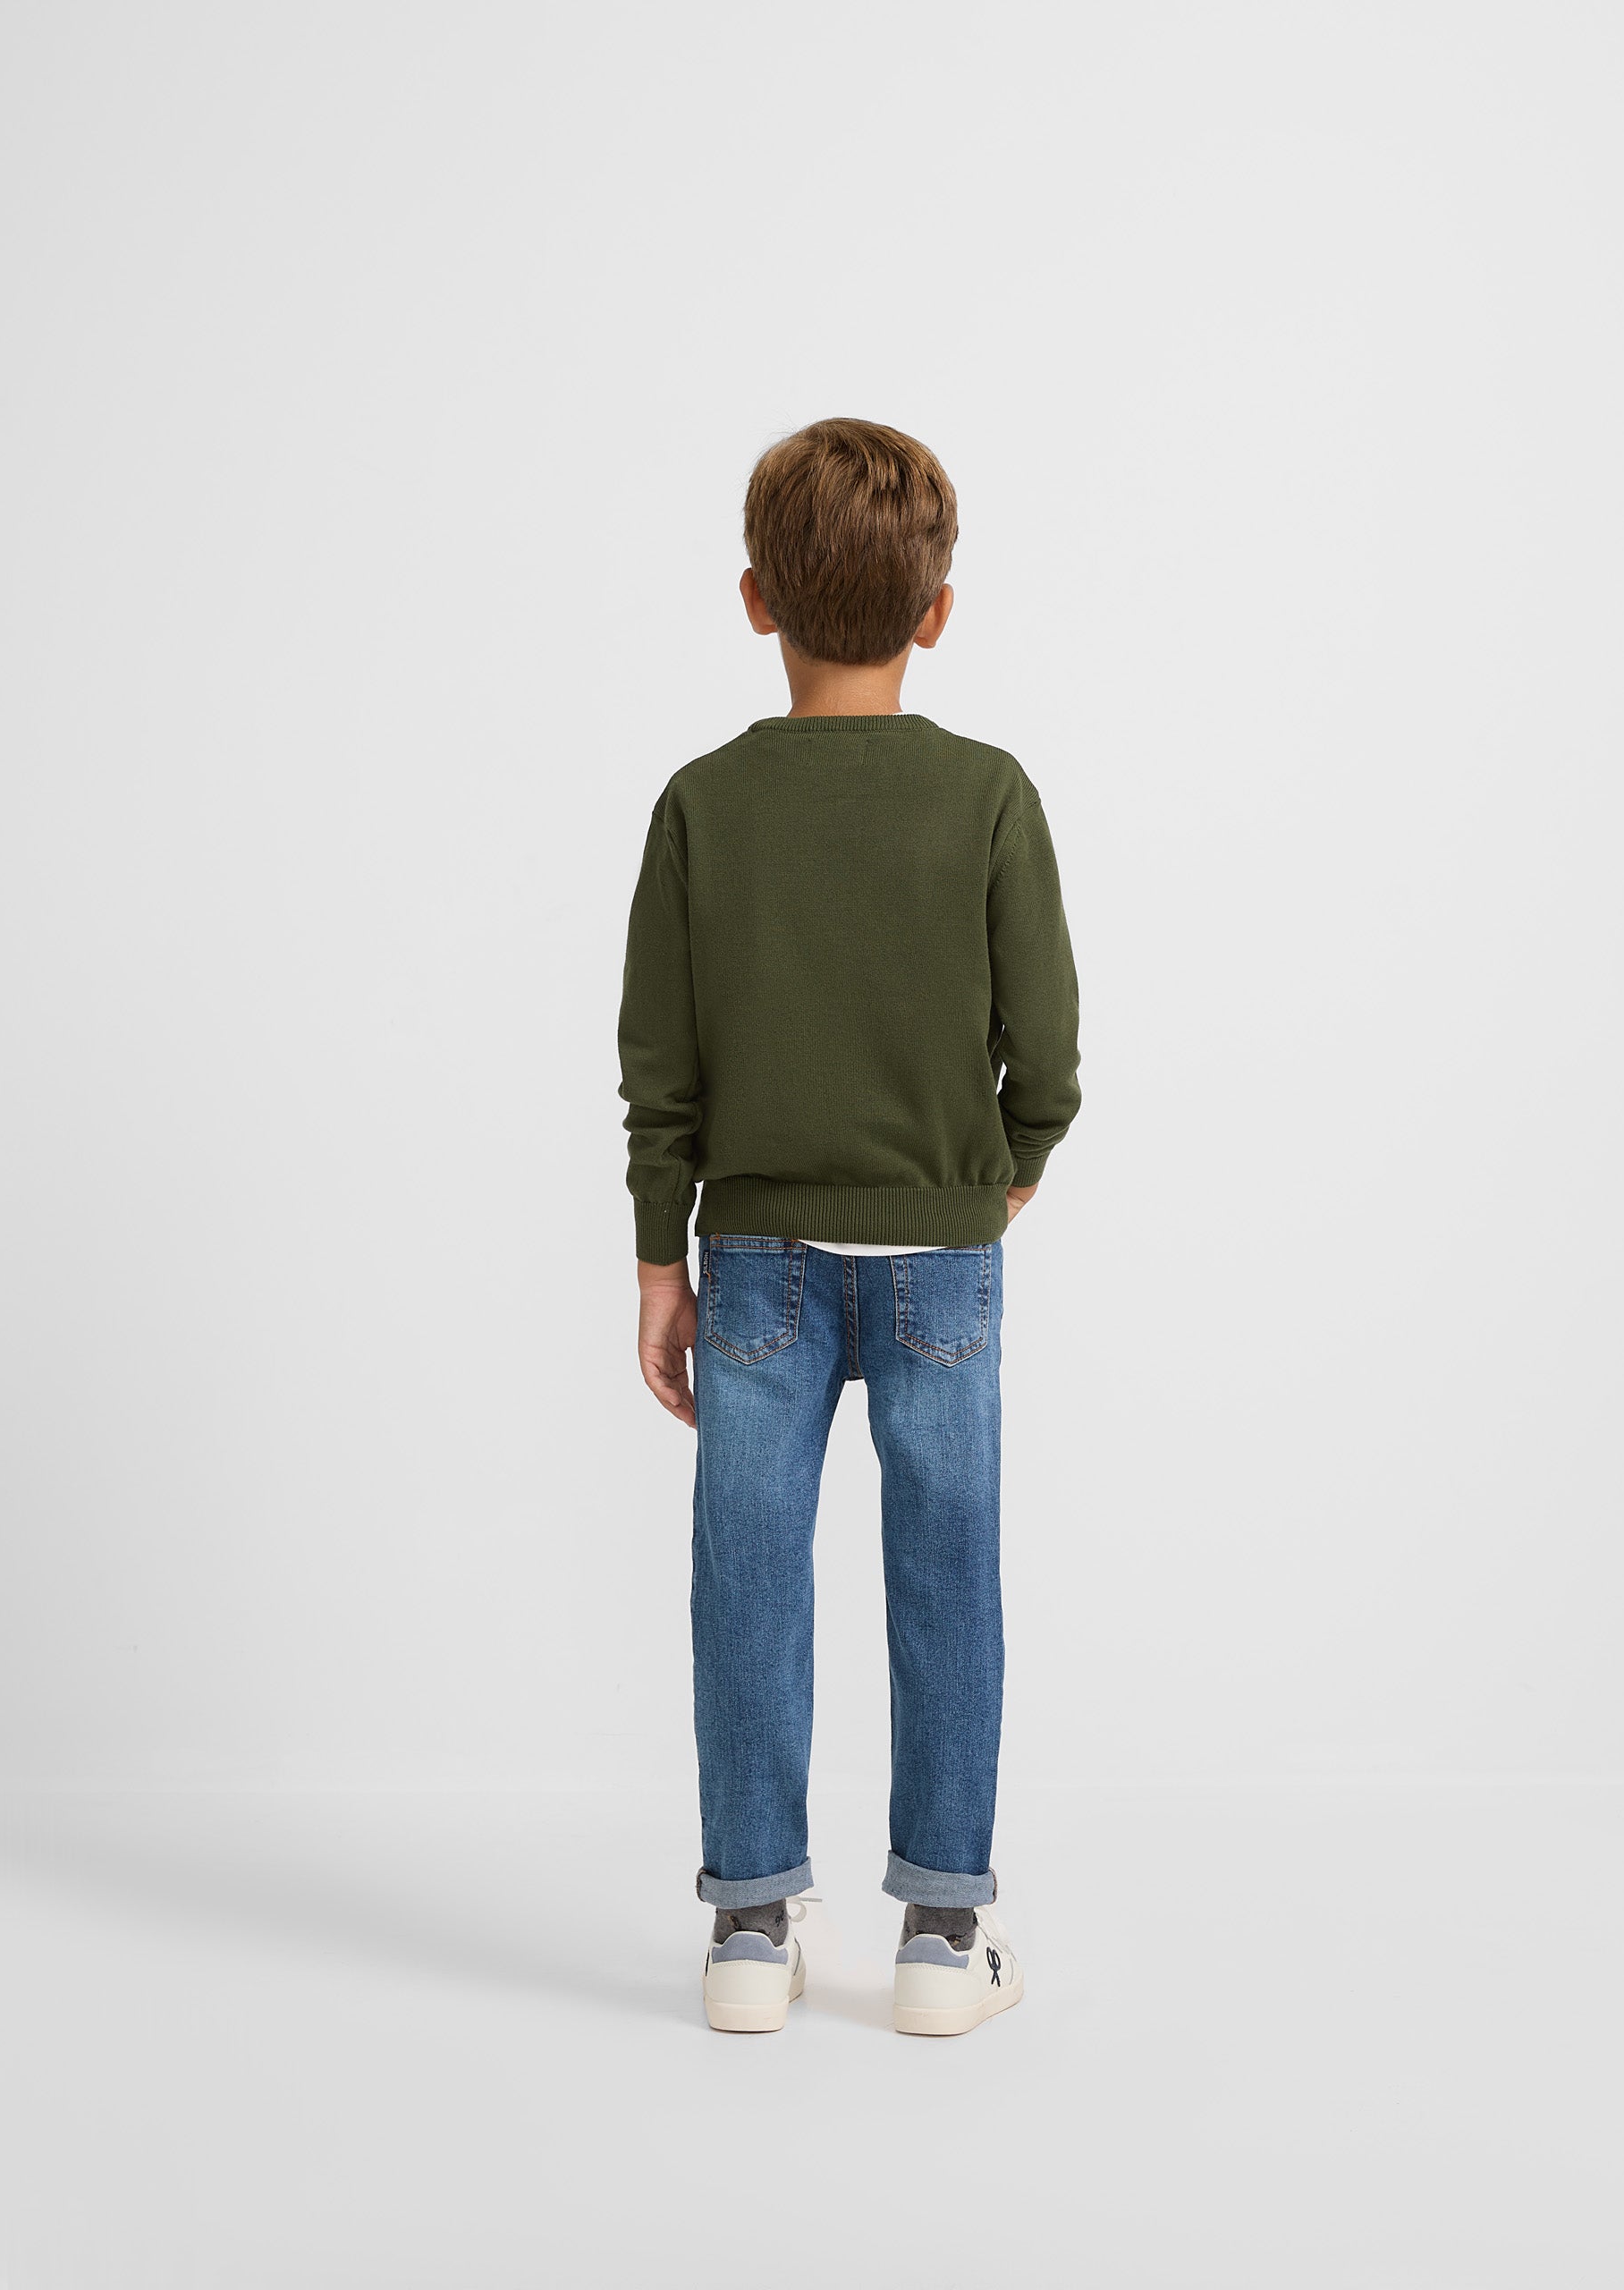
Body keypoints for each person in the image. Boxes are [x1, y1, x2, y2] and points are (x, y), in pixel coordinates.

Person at [616, 417, 1081, 2035]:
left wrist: (660, 1256)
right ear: (937, 612)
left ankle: (750, 1929)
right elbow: (1049, 1045)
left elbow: (660, 1063)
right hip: (941, 1256)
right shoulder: (989, 795)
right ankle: (943, 1938)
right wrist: (1000, 1174)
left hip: (754, 1257)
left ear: (757, 600)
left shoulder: (702, 804)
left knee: (747, 1574)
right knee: (948, 1574)